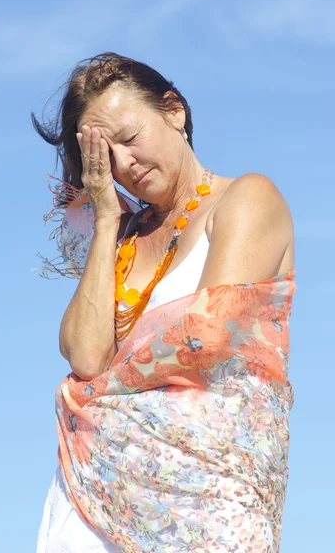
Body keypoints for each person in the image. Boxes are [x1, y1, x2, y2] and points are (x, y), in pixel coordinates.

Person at [33, 52, 296, 553]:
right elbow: (85, 356)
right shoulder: (122, 238)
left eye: (130, 139)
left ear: (173, 111)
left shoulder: (247, 198)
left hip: (211, 504)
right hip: (94, 499)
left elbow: (203, 339)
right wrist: (107, 220)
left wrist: (92, 393)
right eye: (106, 157)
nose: (125, 164)